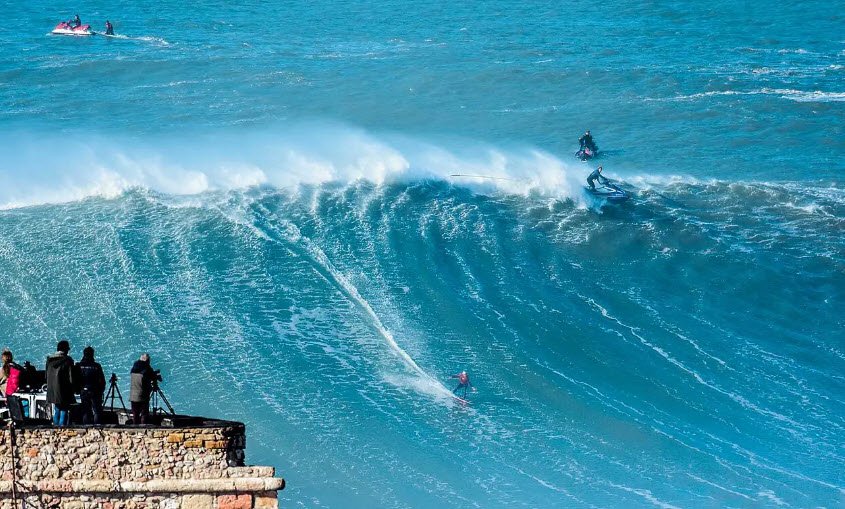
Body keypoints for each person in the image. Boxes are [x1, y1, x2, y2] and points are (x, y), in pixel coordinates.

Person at [46, 340, 76, 426]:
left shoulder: (49, 360)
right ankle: (62, 429)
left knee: (57, 408)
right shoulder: (68, 360)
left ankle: (55, 428)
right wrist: (73, 389)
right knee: (64, 409)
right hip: (64, 390)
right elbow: (71, 377)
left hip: (52, 390)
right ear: (66, 350)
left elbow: (46, 376)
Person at [75, 346, 106, 425]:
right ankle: (98, 428)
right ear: (92, 354)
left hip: (83, 390)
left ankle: (86, 428)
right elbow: (102, 381)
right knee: (97, 411)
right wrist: (101, 390)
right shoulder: (97, 366)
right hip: (95, 391)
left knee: (86, 411)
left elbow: (76, 379)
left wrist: (77, 390)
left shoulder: (79, 366)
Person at [129, 353, 157, 425]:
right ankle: (143, 429)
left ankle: (135, 429)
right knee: (144, 414)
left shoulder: (134, 368)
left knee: (135, 414)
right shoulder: (147, 367)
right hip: (143, 396)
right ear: (147, 360)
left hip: (133, 396)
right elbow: (151, 376)